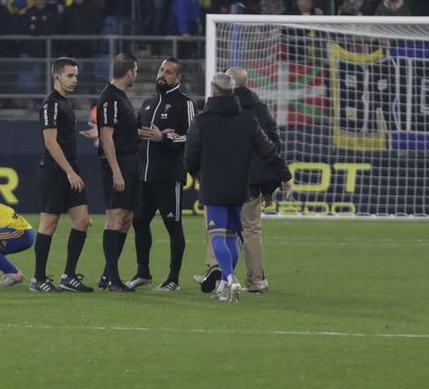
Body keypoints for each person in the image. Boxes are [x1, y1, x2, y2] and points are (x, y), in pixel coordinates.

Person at [184, 73, 292, 303]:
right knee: (232, 235)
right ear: (232, 92)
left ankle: (231, 279)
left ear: (213, 92)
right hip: (240, 188)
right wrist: (285, 176)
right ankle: (224, 284)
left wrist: (195, 172)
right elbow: (269, 150)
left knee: (217, 235)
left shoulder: (203, 120)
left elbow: (190, 153)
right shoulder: (248, 119)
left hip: (214, 186)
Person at [128, 57, 195, 292]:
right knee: (139, 221)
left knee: (172, 225)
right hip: (144, 175)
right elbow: (135, 131)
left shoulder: (184, 103)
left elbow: (191, 138)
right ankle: (143, 272)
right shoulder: (148, 103)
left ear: (178, 78)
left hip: (168, 176)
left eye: (168, 72)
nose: (162, 75)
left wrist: (164, 137)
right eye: (161, 70)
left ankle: (173, 278)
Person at [31, 57, 92, 293]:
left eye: (76, 75)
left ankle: (68, 276)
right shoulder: (51, 105)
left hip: (69, 171)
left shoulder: (65, 103)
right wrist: (69, 172)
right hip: (55, 172)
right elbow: (50, 141)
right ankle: (38, 279)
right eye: (70, 75)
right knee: (49, 223)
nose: (74, 80)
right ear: (56, 76)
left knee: (82, 220)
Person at [95, 53, 139, 293]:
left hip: (129, 162)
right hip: (119, 164)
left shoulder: (120, 97)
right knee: (115, 216)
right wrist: (116, 172)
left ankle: (107, 274)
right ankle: (112, 279)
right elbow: (107, 137)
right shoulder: (110, 97)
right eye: (136, 71)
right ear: (130, 72)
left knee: (126, 219)